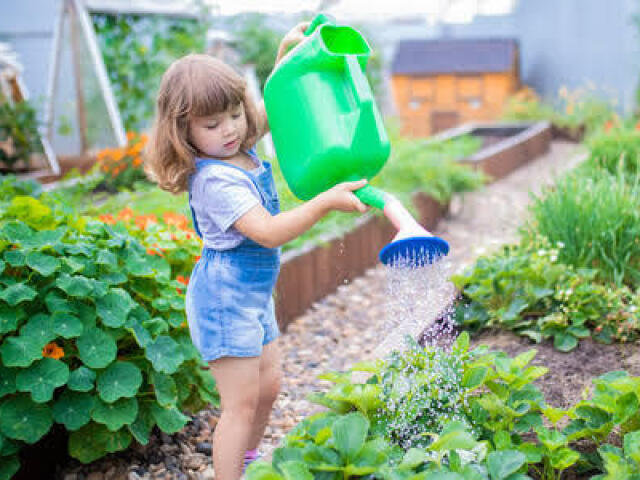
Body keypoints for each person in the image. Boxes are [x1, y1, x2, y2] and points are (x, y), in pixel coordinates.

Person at [144, 22, 368, 480]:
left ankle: (245, 464)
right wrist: (324, 202)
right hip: (225, 301)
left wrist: (287, 55)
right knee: (240, 404)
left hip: (252, 295)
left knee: (269, 389)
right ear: (183, 131)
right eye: (212, 123)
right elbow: (266, 232)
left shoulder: (236, 144)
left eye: (233, 114)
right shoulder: (215, 179)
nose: (229, 129)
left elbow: (271, 112)